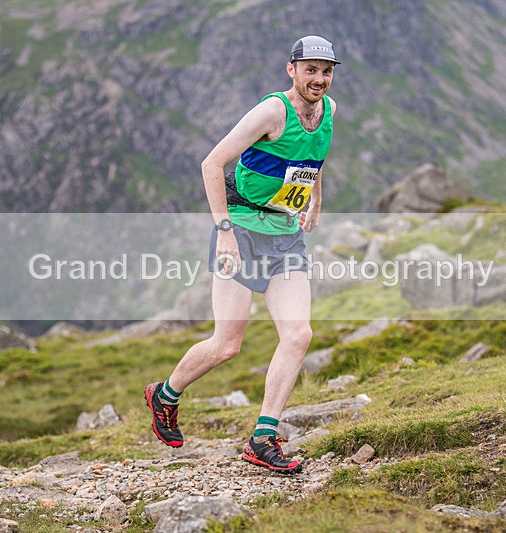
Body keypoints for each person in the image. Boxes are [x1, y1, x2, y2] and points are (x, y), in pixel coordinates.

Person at [145, 35, 339, 474]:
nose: (319, 79)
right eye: (310, 70)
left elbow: (315, 158)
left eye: (326, 71)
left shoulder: (329, 111)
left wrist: (314, 200)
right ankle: (165, 394)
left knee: (298, 335)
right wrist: (225, 231)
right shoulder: (273, 110)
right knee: (227, 344)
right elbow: (212, 164)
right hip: (243, 230)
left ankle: (263, 437)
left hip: (286, 234)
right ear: (291, 70)